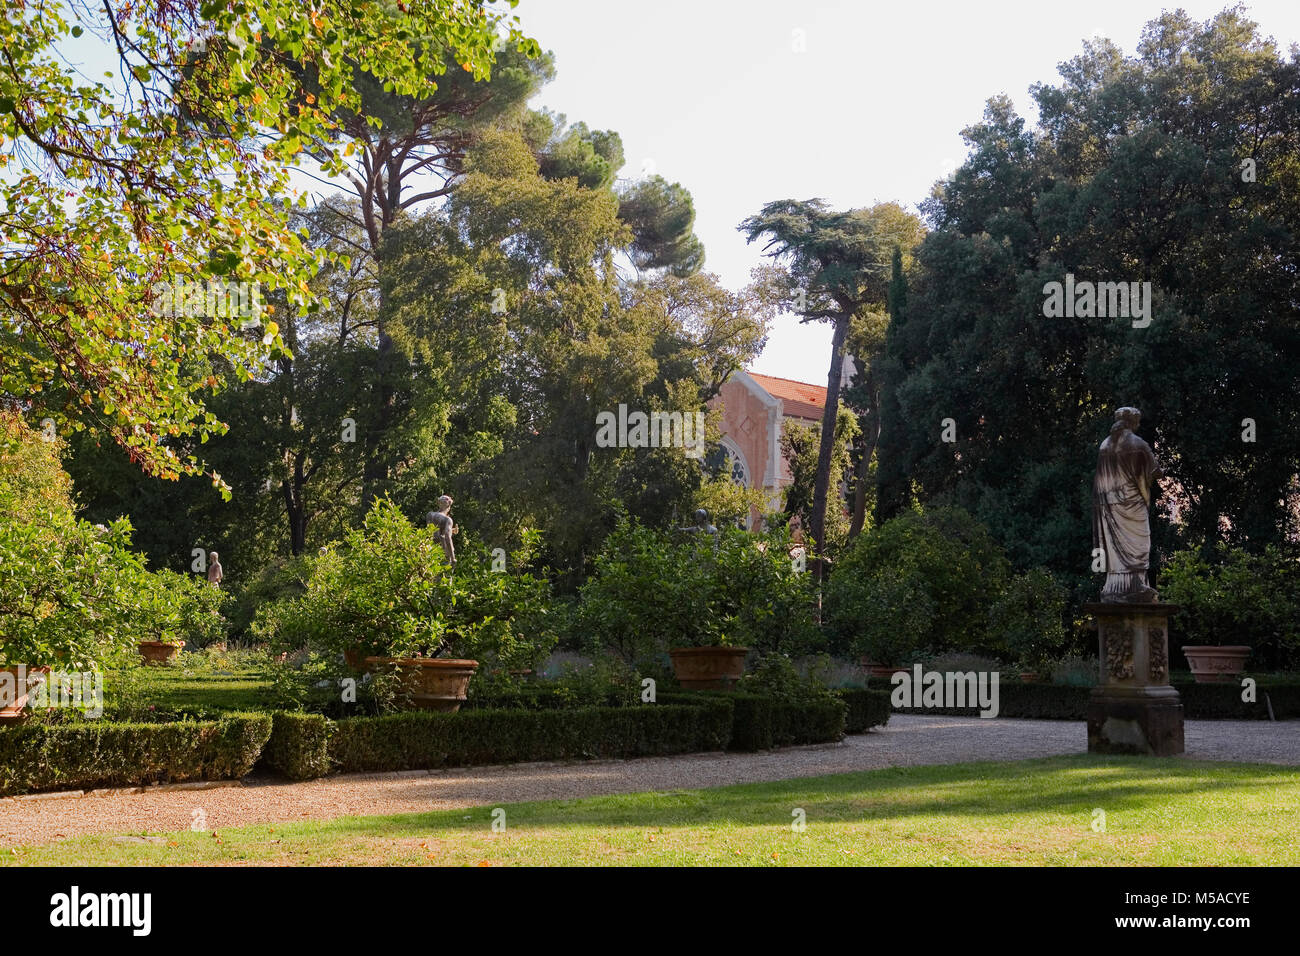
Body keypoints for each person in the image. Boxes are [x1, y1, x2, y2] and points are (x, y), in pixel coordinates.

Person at [1092, 407, 1162, 602]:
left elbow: (1100, 481)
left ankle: (1115, 585)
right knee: (1140, 542)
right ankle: (1135, 584)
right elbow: (1154, 471)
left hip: (1110, 504)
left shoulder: (1105, 445)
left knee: (1115, 546)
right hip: (1132, 502)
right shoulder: (1138, 444)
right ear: (1133, 423)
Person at [425, 495, 457, 566]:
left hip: (429, 549)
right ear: (448, 506)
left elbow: (433, 531)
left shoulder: (429, 515)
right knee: (443, 575)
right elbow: (447, 538)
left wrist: (452, 530)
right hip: (442, 551)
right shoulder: (447, 520)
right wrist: (453, 558)